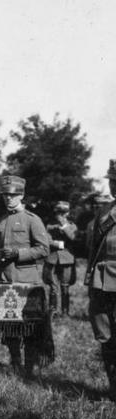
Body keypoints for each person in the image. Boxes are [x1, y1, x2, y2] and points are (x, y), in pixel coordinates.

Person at [0, 175, 49, 376]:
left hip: (26, 282)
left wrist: (18, 254)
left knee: (28, 327)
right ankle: (15, 363)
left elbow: (43, 249)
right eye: (5, 195)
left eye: (13, 195)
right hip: (4, 280)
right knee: (9, 326)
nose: (9, 199)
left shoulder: (33, 220)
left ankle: (29, 368)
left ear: (21, 195)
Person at [86, 159, 116, 400]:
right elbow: (93, 250)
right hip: (101, 282)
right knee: (105, 336)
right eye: (113, 181)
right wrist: (89, 279)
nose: (114, 186)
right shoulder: (104, 213)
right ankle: (113, 388)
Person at [43, 201, 77, 317]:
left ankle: (65, 312)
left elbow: (73, 237)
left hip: (67, 259)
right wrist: (58, 245)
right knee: (53, 286)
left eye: (64, 212)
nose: (61, 215)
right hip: (52, 258)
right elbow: (45, 239)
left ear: (68, 213)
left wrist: (64, 226)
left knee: (65, 286)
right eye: (59, 212)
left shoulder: (72, 225)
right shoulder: (49, 225)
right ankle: (53, 311)